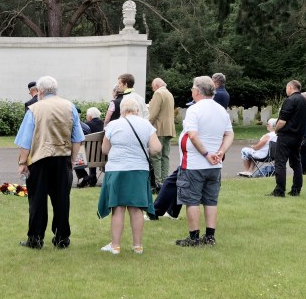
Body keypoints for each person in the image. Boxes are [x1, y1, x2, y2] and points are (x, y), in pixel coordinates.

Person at [14, 76, 84, 249]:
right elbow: (77, 138)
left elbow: (25, 140)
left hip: (39, 160)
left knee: (37, 201)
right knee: (62, 201)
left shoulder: (34, 109)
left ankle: (35, 238)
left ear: (40, 91)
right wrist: (72, 160)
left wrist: (22, 162)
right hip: (62, 158)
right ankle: (62, 238)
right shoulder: (70, 107)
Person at [97, 97, 161, 254]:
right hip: (138, 169)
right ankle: (137, 246)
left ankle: (115, 246)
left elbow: (105, 149)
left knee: (117, 208)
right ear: (137, 110)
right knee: (136, 208)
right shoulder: (146, 124)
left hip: (116, 169)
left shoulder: (113, 125)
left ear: (122, 111)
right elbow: (156, 148)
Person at [175, 75, 234, 246]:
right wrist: (221, 151)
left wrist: (207, 153)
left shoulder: (194, 109)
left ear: (198, 91)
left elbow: (193, 135)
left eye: (193, 88)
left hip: (194, 163)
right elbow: (229, 134)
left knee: (191, 200)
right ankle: (210, 236)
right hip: (214, 165)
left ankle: (194, 237)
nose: (191, 91)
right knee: (210, 200)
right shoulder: (221, 110)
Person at [269, 80, 306, 197]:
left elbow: (282, 120)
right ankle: (296, 189)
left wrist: (276, 129)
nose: (286, 90)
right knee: (296, 162)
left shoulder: (290, 100)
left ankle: (279, 190)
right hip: (298, 136)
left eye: (287, 88)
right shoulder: (305, 101)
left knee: (280, 162)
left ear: (290, 88)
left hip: (286, 135)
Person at [147, 77, 176, 184]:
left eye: (153, 87)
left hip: (159, 128)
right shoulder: (169, 93)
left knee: (156, 156)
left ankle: (158, 182)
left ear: (156, 85)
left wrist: (147, 125)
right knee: (165, 156)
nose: (153, 89)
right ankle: (164, 180)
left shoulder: (158, 93)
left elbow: (153, 113)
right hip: (169, 128)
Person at [76, 107, 104, 188]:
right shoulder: (103, 123)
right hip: (101, 154)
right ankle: (92, 177)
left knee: (76, 155)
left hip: (88, 155)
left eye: (87, 115)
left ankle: (85, 176)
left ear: (90, 117)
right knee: (93, 152)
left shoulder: (86, 125)